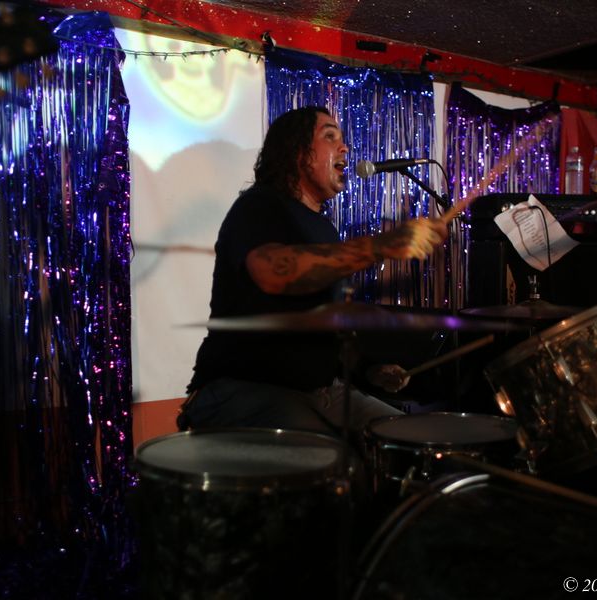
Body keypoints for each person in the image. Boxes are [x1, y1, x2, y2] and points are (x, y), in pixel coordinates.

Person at [178, 106, 448, 439]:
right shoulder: (258, 206)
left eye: (342, 139)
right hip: (245, 388)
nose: (344, 147)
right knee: (329, 459)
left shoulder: (325, 229)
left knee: (413, 440)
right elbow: (273, 273)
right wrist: (380, 246)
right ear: (297, 151)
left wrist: (369, 369)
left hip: (323, 391)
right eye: (329, 136)